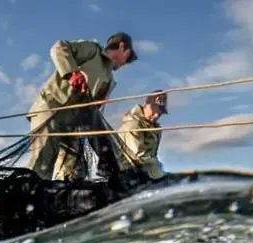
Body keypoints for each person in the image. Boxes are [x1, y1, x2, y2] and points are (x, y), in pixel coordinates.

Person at [27, 32, 137, 181]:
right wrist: (72, 74)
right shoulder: (93, 51)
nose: (126, 62)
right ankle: (26, 199)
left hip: (73, 125)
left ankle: (60, 199)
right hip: (50, 108)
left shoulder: (110, 80)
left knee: (76, 169)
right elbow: (59, 47)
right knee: (43, 161)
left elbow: (94, 113)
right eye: (128, 56)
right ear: (122, 45)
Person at [116, 90, 168, 180]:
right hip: (130, 176)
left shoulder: (155, 128)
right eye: (154, 110)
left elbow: (152, 156)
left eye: (160, 113)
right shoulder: (132, 126)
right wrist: (161, 176)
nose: (156, 115)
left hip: (148, 173)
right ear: (146, 105)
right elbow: (140, 157)